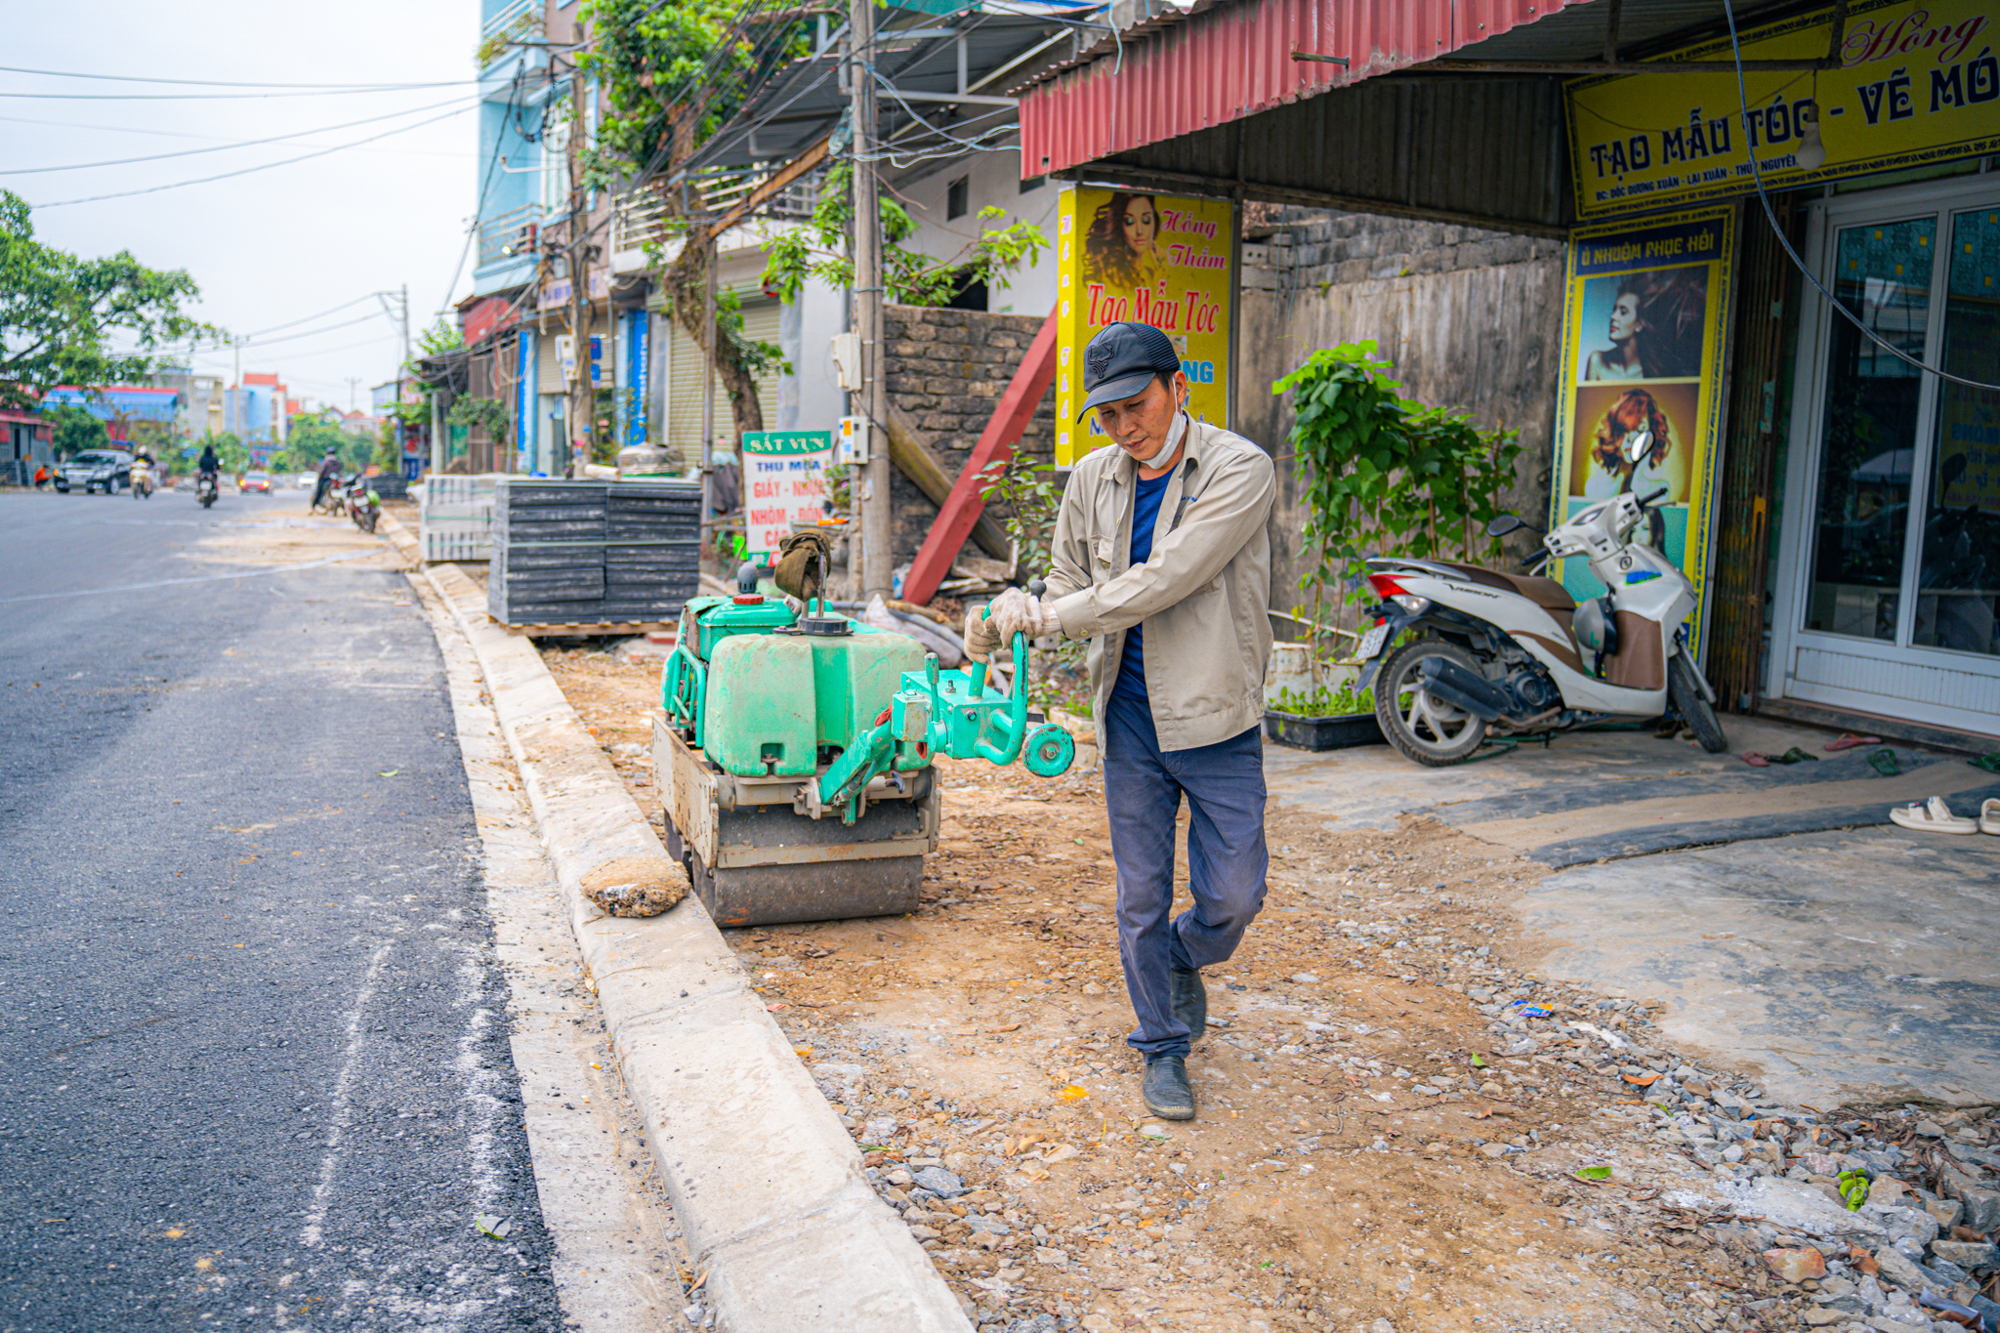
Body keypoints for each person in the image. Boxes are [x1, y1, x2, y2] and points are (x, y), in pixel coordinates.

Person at [965, 321, 1276, 1122]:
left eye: (1137, 405)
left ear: (1179, 388)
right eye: (1107, 414)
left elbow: (1168, 577)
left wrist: (1057, 614)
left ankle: (1184, 952)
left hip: (1214, 714)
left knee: (1235, 894)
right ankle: (1161, 1045)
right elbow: (1068, 576)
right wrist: (1023, 606)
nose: (1124, 426)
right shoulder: (1092, 478)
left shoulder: (1240, 469)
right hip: (1129, 716)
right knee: (1140, 894)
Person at [1084, 192, 1164, 294]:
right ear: (1120, 225)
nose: (1139, 231)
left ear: (1155, 222)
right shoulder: (1110, 275)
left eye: (1146, 219)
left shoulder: (1151, 274)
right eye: (1129, 221)